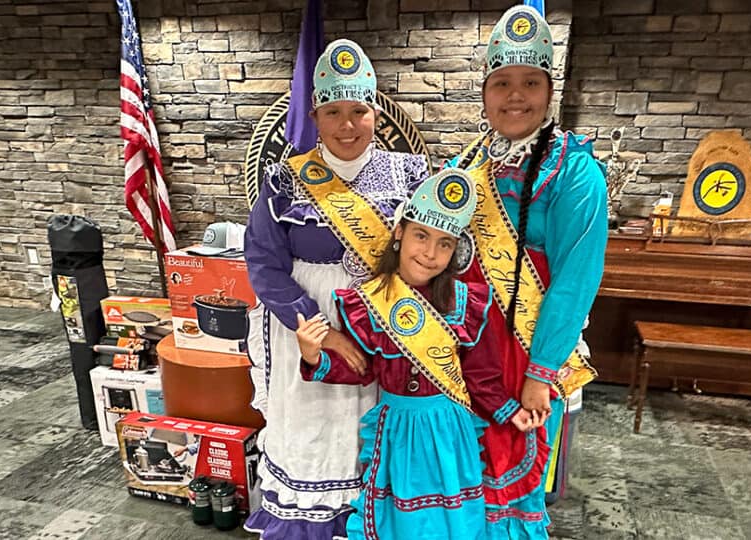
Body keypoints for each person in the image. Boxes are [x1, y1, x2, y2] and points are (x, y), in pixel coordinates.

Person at [243, 39, 430, 539]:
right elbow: (263, 263)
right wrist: (320, 332)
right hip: (305, 324)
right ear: (315, 116)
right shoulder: (286, 180)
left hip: (384, 322)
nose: (347, 125)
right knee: (313, 426)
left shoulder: (410, 175)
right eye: (333, 112)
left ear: (376, 113)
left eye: (359, 111)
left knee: (371, 426)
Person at [297, 168, 537, 540]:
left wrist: (511, 411)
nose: (430, 253)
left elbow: (481, 375)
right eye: (421, 236)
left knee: (452, 520)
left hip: (450, 429)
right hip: (399, 430)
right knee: (401, 520)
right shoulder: (372, 302)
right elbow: (361, 368)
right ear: (399, 233)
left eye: (445, 243)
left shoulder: (466, 303)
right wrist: (315, 356)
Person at [446, 5, 609, 538]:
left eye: (530, 82)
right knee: (461, 471)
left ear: (549, 90)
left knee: (514, 474)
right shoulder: (470, 162)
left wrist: (541, 374)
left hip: (525, 350)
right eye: (503, 83)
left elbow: (575, 281)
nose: (516, 96)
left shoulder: (574, 172)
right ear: (486, 91)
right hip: (466, 348)